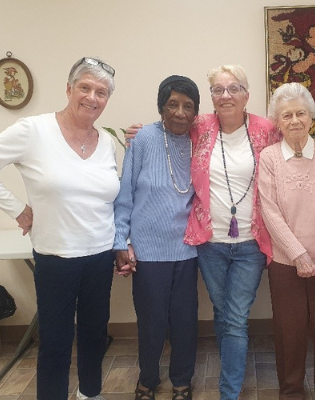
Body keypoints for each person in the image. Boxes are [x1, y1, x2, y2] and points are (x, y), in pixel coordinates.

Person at [0, 57, 119, 400]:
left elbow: (106, 197)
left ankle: (90, 394)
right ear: (69, 89)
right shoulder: (34, 130)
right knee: (56, 343)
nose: (92, 97)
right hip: (56, 256)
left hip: (100, 253)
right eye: (85, 87)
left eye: (101, 92)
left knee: (94, 335)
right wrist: (18, 209)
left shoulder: (105, 140)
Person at [183, 65, 315, 400]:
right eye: (218, 90)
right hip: (210, 241)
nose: (226, 95)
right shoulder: (199, 127)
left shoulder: (265, 129)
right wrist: (139, 134)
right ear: (211, 96)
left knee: (236, 317)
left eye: (234, 88)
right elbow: (171, 124)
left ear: (247, 95)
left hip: (251, 242)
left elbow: (300, 126)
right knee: (223, 312)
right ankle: (239, 378)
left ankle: (229, 391)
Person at [258, 82, 315, 400]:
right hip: (287, 265)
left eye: (301, 113)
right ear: (278, 121)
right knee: (290, 335)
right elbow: (270, 212)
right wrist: (298, 255)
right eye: (287, 115)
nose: (295, 120)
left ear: (312, 117)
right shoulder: (269, 158)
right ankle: (292, 392)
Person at [113, 75, 200, 400]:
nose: (180, 112)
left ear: (195, 112)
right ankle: (147, 379)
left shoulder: (199, 138)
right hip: (148, 251)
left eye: (187, 106)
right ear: (161, 107)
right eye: (173, 104)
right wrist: (121, 241)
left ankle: (182, 381)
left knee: (184, 322)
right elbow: (125, 194)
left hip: (187, 249)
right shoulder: (144, 139)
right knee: (150, 323)